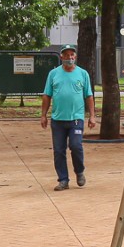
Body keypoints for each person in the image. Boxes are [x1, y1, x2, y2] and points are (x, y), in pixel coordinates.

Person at [40, 44, 95, 191]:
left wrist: (92, 116)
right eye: (67, 55)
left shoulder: (83, 74)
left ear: (75, 56)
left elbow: (89, 96)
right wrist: (43, 115)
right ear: (61, 57)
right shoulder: (53, 74)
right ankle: (63, 179)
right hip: (58, 120)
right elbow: (47, 95)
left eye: (72, 55)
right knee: (59, 151)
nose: (69, 57)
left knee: (76, 146)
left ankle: (79, 171)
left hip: (76, 118)